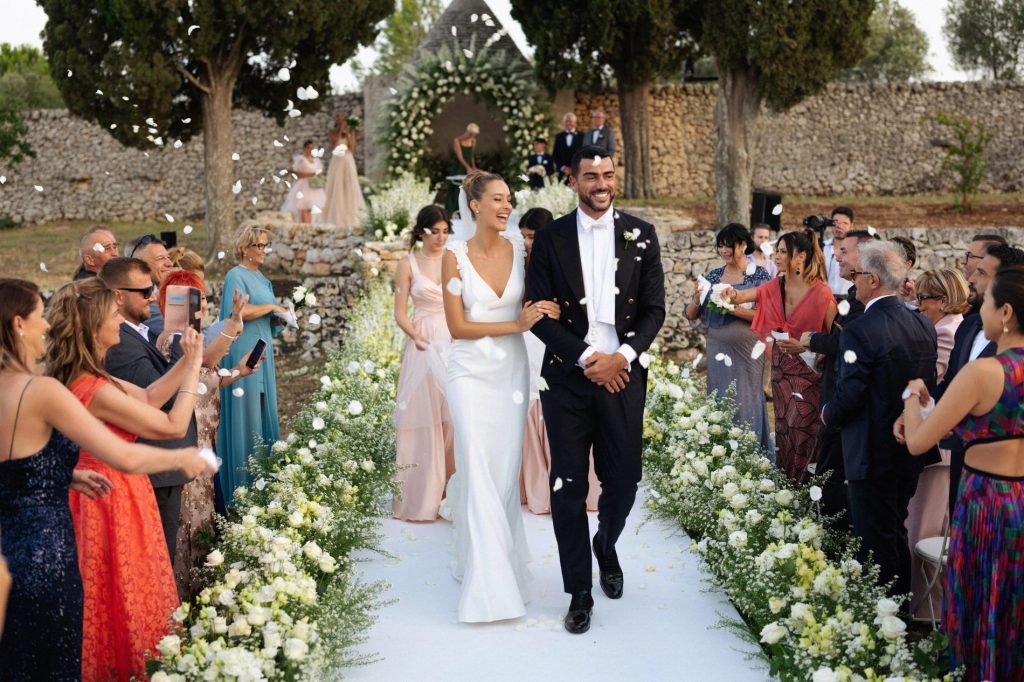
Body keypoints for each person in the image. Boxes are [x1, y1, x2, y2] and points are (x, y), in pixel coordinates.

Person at [0, 278, 212, 680]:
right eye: (37, 317)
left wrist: (60, 475)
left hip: (14, 541)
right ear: (17, 325)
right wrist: (186, 455)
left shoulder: (55, 382)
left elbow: (16, 466)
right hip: (58, 540)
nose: (46, 326)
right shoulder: (48, 388)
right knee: (75, 641)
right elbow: (142, 444)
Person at [526, 145, 666, 634]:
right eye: (591, 175)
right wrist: (589, 358)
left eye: (607, 174)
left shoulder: (642, 234)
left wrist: (620, 358)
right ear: (573, 180)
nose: (601, 183)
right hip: (567, 376)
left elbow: (654, 311)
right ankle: (579, 592)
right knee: (568, 486)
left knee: (624, 481)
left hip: (624, 375)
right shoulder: (549, 238)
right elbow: (537, 314)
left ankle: (605, 543)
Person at [440, 170, 560, 623]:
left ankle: (497, 564)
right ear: (474, 205)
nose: (506, 206)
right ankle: (487, 589)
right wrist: (516, 325)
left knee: (504, 475)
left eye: (509, 199)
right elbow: (457, 327)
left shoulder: (520, 249)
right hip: (469, 372)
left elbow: (538, 298)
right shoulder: (453, 257)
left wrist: (550, 308)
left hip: (510, 372)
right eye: (497, 199)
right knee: (477, 466)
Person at [900, 264, 1024, 680]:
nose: (979, 308)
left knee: (980, 607)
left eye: (986, 302)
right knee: (1014, 610)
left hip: (985, 504)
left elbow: (919, 441)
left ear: (1005, 312)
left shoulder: (984, 373)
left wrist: (911, 396)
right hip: (1021, 499)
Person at [821, 241, 937, 599]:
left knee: (873, 539)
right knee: (894, 530)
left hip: (870, 449)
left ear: (872, 280)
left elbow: (851, 393)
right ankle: (898, 613)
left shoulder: (860, 328)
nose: (852, 283)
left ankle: (884, 618)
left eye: (855, 276)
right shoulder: (922, 324)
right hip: (909, 446)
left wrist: (829, 413)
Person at [156, 268, 253, 598]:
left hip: (206, 439)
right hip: (188, 442)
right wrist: (234, 324)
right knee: (190, 523)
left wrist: (240, 372)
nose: (203, 305)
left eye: (204, 298)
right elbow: (207, 361)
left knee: (205, 520)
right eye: (196, 299)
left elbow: (209, 378)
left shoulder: (194, 341)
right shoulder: (173, 341)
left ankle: (203, 596)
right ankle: (183, 599)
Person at [100, 257, 197, 562]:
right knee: (157, 560)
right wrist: (186, 355)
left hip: (163, 469)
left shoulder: (139, 332)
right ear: (118, 295)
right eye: (144, 292)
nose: (153, 297)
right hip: (153, 470)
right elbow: (158, 397)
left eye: (153, 289)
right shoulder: (120, 343)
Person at [729, 229, 836, 480]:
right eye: (776, 251)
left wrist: (805, 345)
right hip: (780, 372)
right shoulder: (777, 283)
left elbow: (837, 339)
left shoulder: (821, 293)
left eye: (783, 252)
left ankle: (805, 488)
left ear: (800, 257)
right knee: (784, 428)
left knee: (803, 430)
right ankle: (786, 487)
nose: (776, 256)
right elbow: (748, 295)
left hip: (808, 375)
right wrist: (731, 294)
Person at [517, 208, 600, 515]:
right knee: (531, 405)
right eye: (524, 236)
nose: (528, 242)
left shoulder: (569, 258)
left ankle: (579, 488)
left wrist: (559, 312)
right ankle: (538, 489)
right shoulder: (517, 262)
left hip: (559, 340)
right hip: (524, 339)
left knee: (563, 407)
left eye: (533, 236)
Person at [930, 239, 1021, 517]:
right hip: (963, 464)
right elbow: (949, 385)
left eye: (982, 273)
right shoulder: (968, 326)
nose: (971, 278)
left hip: (1003, 481)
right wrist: (928, 404)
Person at [799, 229, 878, 528]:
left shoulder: (867, 305)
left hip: (846, 405)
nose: (836, 256)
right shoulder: (851, 297)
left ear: (866, 257)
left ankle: (836, 540)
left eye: (845, 251)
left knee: (835, 475)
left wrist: (814, 341)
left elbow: (849, 345)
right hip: (834, 393)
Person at [903, 267, 969, 619]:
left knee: (924, 532)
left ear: (943, 300)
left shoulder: (945, 332)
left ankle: (928, 611)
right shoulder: (947, 326)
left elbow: (933, 381)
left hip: (938, 447)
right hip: (936, 442)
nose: (918, 305)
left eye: (924, 299)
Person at [392, 205, 455, 521]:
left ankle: (452, 493)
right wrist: (415, 335)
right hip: (422, 341)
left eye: (445, 231)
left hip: (453, 339)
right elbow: (400, 311)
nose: (441, 237)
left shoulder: (453, 260)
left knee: (454, 417)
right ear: (421, 231)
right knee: (422, 417)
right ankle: (422, 496)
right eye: (435, 231)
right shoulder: (408, 263)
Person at [684, 224, 771, 451]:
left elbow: (766, 316)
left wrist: (731, 308)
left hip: (747, 351)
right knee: (720, 396)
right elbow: (690, 315)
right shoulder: (714, 276)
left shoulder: (759, 275)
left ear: (742, 245)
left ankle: (748, 453)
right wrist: (696, 297)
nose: (724, 250)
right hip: (717, 347)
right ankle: (721, 452)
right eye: (720, 245)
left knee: (745, 398)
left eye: (728, 245)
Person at [218, 224, 286, 500]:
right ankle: (242, 491)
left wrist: (280, 317)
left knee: (263, 408)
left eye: (265, 245)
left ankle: (266, 484)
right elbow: (238, 312)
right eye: (258, 245)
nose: (263, 250)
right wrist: (271, 307)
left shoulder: (263, 279)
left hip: (264, 349)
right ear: (244, 247)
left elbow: (267, 321)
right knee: (246, 412)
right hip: (243, 349)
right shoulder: (236, 275)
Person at [125, 233, 175, 337]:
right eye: (160, 258)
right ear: (138, 265)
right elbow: (182, 336)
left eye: (168, 257)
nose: (170, 263)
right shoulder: (142, 301)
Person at [323, 112, 366, 230]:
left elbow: (352, 148)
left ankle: (351, 218)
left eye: (342, 117)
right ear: (336, 120)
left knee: (349, 185)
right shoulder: (332, 131)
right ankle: (335, 217)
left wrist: (347, 135)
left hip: (347, 159)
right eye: (338, 117)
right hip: (337, 159)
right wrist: (340, 130)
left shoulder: (351, 131)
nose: (340, 119)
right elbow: (334, 144)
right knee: (336, 186)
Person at [281, 139, 326, 224]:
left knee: (311, 207)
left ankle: (310, 224)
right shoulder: (301, 160)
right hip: (304, 185)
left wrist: (318, 175)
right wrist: (311, 174)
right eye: (308, 148)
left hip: (314, 185)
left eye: (312, 148)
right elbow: (299, 174)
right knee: (303, 206)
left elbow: (319, 171)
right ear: (305, 149)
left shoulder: (316, 161)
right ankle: (305, 225)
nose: (310, 150)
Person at [447, 123, 479, 217]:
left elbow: (471, 156)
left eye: (474, 134)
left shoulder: (473, 141)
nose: (472, 136)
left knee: (467, 188)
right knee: (455, 187)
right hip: (458, 167)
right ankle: (451, 211)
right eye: (471, 133)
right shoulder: (457, 140)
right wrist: (467, 167)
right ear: (467, 131)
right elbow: (459, 156)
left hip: (468, 167)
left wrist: (473, 167)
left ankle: (464, 211)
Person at [822, 207, 854, 299]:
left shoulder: (856, 250)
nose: (839, 226)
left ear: (851, 226)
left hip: (848, 299)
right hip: (824, 299)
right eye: (835, 222)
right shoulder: (821, 247)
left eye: (845, 223)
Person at [553, 113, 583, 183]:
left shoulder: (582, 136)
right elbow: (555, 155)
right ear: (564, 123)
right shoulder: (558, 136)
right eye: (567, 121)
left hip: (576, 173)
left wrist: (574, 168)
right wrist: (563, 168)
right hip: (561, 173)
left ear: (575, 123)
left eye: (571, 121)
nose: (568, 123)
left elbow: (583, 155)